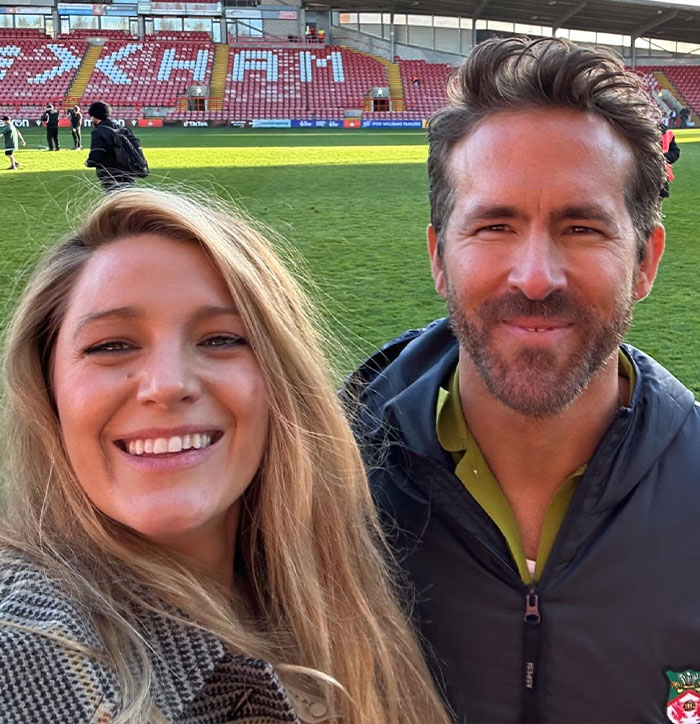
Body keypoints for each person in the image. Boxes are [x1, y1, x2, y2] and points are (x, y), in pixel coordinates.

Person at [346, 36, 700, 723]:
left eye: (582, 227)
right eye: (495, 225)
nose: (536, 277)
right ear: (439, 257)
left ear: (645, 261)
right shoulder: (321, 491)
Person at [0, 189, 449, 724]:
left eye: (220, 339)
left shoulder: (349, 597)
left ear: (283, 382)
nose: (167, 385)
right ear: (48, 389)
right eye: (112, 345)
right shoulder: (31, 647)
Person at [85, 100, 135, 191]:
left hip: (111, 173)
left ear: (94, 116)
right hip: (128, 172)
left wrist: (89, 162)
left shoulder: (99, 131)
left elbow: (97, 155)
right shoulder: (121, 129)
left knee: (115, 201)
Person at [660, 117, 680, 197]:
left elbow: (675, 152)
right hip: (643, 174)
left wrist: (664, 157)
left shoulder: (668, 134)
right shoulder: (640, 133)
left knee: (658, 204)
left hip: (662, 174)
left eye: (657, 117)